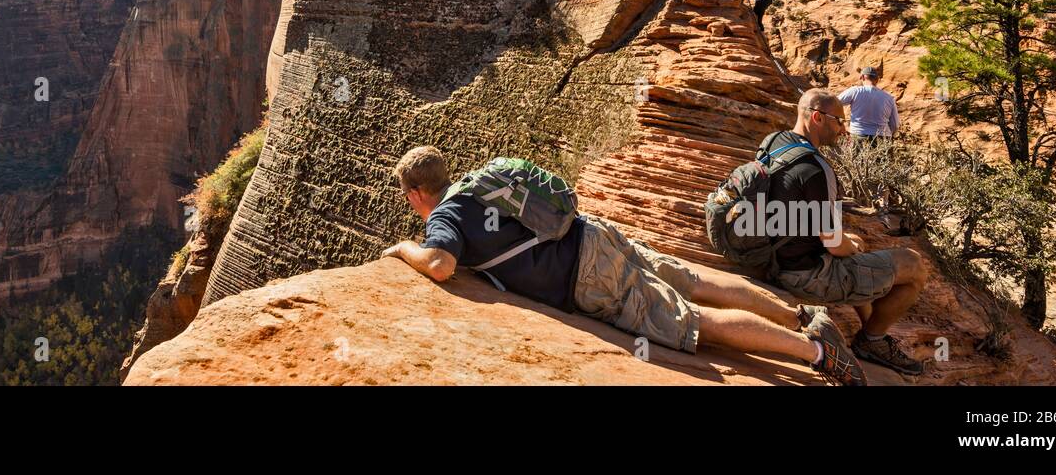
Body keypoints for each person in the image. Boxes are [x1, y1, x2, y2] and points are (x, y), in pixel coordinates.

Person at [383, 146, 866, 385]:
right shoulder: (477, 181)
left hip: (588, 278)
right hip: (595, 232)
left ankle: (817, 354)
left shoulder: (445, 215)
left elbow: (441, 264)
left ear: (414, 195)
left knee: (694, 323)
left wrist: (404, 249)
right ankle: (801, 316)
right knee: (693, 280)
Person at [759, 89, 927, 376]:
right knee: (914, 267)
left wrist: (849, 244)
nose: (843, 128)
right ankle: (872, 341)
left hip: (768, 256)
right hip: (805, 275)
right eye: (839, 121)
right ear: (817, 117)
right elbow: (834, 243)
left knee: (854, 248)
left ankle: (870, 322)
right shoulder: (816, 169)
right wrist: (852, 248)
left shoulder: (773, 143)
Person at [838, 67, 899, 143]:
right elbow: (895, 125)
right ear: (877, 80)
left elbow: (834, 102)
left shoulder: (855, 91)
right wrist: (888, 136)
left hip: (859, 136)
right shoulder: (889, 98)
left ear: (862, 77)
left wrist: (841, 122)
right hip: (882, 139)